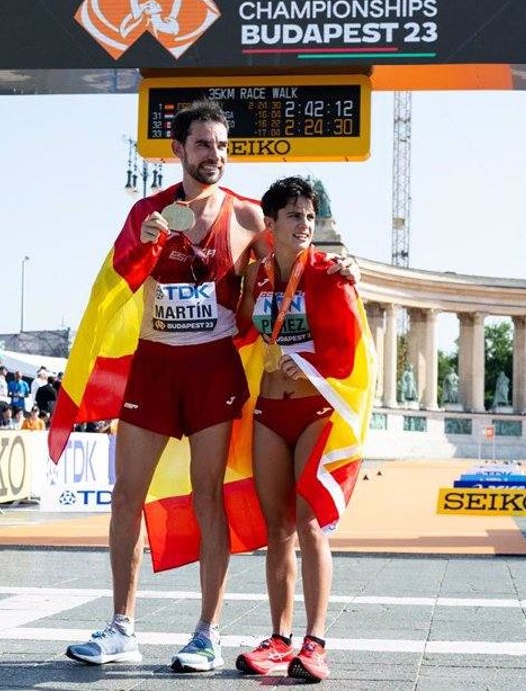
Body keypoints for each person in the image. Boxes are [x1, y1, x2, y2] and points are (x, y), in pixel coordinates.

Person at [53, 101, 357, 673]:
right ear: (178, 150)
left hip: (213, 370)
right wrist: (142, 245)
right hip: (154, 367)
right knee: (126, 495)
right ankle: (122, 626)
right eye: (201, 145)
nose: (213, 155)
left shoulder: (246, 218)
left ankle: (207, 632)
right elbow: (113, 289)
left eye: (220, 145)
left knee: (207, 497)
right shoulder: (147, 210)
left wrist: (346, 269)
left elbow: (296, 263)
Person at [234, 177, 373, 682]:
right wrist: (245, 284)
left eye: (310, 217)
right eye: (294, 216)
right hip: (269, 412)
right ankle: (279, 636)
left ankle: (315, 642)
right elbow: (246, 329)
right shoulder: (262, 275)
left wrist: (306, 362)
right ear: (270, 224)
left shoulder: (329, 274)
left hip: (315, 414)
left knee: (311, 525)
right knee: (278, 530)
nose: (304, 224)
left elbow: (347, 350)